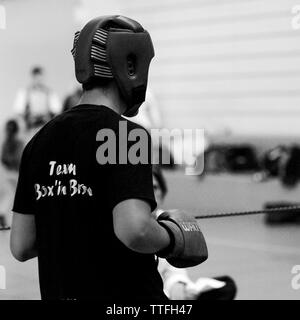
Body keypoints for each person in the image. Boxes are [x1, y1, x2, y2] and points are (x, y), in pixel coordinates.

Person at [10, 15, 208, 300]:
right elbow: (135, 229)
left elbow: (21, 245)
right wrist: (173, 237)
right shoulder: (125, 135)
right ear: (130, 65)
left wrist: (76, 224)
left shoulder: (38, 142)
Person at [152, 165, 237, 300]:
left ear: (162, 193)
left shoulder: (168, 221)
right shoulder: (130, 227)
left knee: (227, 286)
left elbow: (173, 269)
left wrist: (178, 284)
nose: (151, 193)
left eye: (155, 188)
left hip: (168, 290)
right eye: (146, 189)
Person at [0, 119, 24, 229]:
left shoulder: (6, 143)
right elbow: (19, 159)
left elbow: (5, 159)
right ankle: (3, 215)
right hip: (14, 173)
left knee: (11, 196)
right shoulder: (19, 143)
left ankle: (4, 217)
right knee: (13, 197)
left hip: (8, 173)